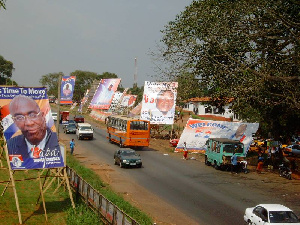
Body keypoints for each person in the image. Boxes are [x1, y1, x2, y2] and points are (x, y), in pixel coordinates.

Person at [7, 95, 63, 169]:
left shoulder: (57, 144)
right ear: (15, 122)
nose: (29, 123)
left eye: (33, 115)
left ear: (43, 116)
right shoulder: (11, 145)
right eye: (19, 118)